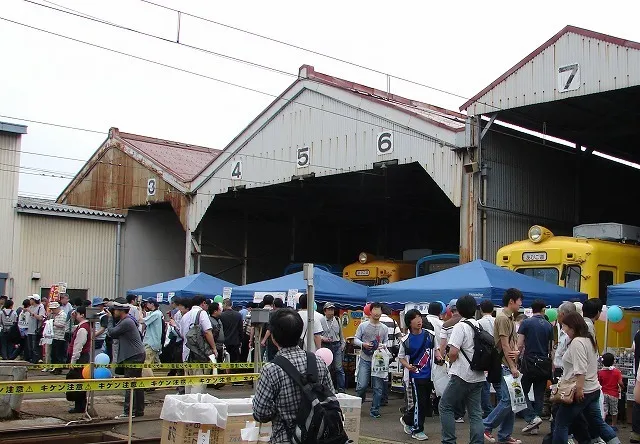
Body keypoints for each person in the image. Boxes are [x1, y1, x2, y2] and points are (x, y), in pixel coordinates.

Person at [253, 308, 334, 444]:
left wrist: (278, 409)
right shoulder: (319, 362)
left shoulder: (271, 369)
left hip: (285, 438)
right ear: (300, 332)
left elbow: (261, 413)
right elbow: (331, 398)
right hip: (318, 438)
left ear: (273, 337)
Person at [552, 312, 619, 444]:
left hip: (580, 390)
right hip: (593, 388)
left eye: (565, 326)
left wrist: (579, 389)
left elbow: (580, 369)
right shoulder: (589, 339)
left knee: (561, 423)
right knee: (598, 423)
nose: (564, 329)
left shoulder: (577, 342)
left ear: (572, 326)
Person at [439, 295, 486, 444]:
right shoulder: (479, 325)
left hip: (461, 374)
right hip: (478, 375)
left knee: (445, 406)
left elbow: (453, 352)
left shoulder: (461, 326)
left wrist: (450, 361)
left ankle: (449, 441)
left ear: (458, 309)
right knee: (475, 414)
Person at [483, 288, 523, 444]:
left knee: (512, 401)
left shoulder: (509, 318)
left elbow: (509, 345)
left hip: (508, 364)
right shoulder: (503, 319)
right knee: (508, 400)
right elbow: (504, 345)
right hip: (504, 365)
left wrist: (516, 354)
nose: (521, 303)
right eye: (519, 300)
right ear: (511, 301)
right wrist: (513, 366)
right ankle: (486, 425)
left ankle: (505, 435)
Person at [517, 298, 553, 435]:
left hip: (529, 361)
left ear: (532, 310)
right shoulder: (549, 325)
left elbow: (520, 344)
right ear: (543, 309)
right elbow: (551, 348)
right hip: (544, 363)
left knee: (521, 391)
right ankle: (535, 424)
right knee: (539, 394)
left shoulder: (526, 323)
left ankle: (532, 417)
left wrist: (516, 359)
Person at [398, 308, 434, 441]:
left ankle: (407, 419)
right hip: (415, 376)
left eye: (420, 317)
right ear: (409, 322)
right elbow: (401, 357)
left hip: (430, 374)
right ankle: (417, 429)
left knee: (424, 402)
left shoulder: (430, 335)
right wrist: (408, 367)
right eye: (415, 318)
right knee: (420, 402)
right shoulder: (406, 340)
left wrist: (440, 357)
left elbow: (435, 351)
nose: (419, 320)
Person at [106, 301, 146, 418]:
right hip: (136, 354)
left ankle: (129, 412)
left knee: (130, 384)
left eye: (115, 310)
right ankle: (138, 411)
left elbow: (111, 332)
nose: (113, 312)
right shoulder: (127, 320)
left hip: (133, 356)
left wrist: (109, 319)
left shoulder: (127, 322)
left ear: (121, 311)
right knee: (137, 384)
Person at [354, 301, 389, 418]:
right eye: (375, 311)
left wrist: (382, 345)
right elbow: (355, 339)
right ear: (370, 311)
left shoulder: (384, 328)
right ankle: (359, 402)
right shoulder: (363, 325)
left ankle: (375, 410)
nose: (377, 314)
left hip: (378, 361)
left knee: (378, 387)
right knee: (361, 385)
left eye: (379, 312)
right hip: (365, 358)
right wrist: (363, 344)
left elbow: (386, 341)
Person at [178, 296, 217, 394]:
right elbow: (208, 332)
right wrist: (214, 348)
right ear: (203, 303)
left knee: (189, 381)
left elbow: (182, 334)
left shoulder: (185, 315)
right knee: (199, 381)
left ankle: (188, 403)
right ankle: (196, 405)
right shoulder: (202, 313)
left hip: (186, 353)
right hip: (199, 354)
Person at [440, 299, 465, 423]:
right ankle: (462, 412)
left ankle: (457, 414)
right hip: (468, 361)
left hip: (453, 359)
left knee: (454, 387)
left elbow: (443, 345)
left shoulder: (446, 324)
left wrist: (442, 357)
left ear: (450, 310)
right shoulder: (469, 323)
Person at [66, 306, 91, 413]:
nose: (75, 315)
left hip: (80, 358)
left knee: (78, 380)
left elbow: (78, 346)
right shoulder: (83, 326)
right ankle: (79, 405)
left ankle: (80, 406)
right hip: (82, 357)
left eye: (76, 313)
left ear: (82, 315)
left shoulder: (82, 329)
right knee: (78, 380)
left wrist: (73, 360)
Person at [478, 299, 500, 418]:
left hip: (485, 355)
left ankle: (488, 411)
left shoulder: (479, 322)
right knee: (498, 384)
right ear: (493, 310)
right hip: (498, 355)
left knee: (484, 385)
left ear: (481, 309)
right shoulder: (497, 320)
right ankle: (502, 409)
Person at [320, 302, 346, 393]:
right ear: (325, 311)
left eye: (332, 309)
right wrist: (323, 339)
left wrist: (343, 344)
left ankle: (341, 389)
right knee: (328, 368)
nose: (331, 311)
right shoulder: (321, 320)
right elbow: (318, 335)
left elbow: (341, 333)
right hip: (326, 346)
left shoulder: (337, 320)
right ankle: (329, 388)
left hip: (337, 345)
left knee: (339, 368)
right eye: (329, 310)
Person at [598, 352, 623, 430]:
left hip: (604, 393)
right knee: (614, 411)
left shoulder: (600, 372)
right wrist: (623, 387)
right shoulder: (617, 372)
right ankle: (613, 425)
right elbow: (620, 383)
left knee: (604, 410)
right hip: (614, 394)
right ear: (613, 361)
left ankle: (603, 425)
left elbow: (599, 382)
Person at [141, 298, 163, 378]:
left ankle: (150, 383)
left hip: (151, 342)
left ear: (152, 304)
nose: (146, 305)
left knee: (146, 364)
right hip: (153, 342)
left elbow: (142, 321)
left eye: (147, 303)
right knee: (149, 364)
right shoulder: (156, 313)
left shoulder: (156, 314)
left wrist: (139, 311)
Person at [220, 298, 243, 372]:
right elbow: (240, 329)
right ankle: (235, 378)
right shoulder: (238, 315)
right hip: (235, 341)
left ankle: (225, 375)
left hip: (224, 341)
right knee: (235, 360)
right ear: (231, 304)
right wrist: (241, 340)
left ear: (224, 305)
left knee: (224, 359)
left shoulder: (221, 316)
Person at [50, 302, 68, 375]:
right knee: (53, 354)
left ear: (57, 308)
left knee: (59, 355)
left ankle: (58, 369)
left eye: (53, 309)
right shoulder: (54, 315)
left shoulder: (63, 315)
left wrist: (52, 323)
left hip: (60, 338)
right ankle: (54, 368)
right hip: (54, 336)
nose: (52, 311)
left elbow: (62, 325)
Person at [27, 294, 46, 363]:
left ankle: (37, 359)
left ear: (34, 300)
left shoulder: (40, 307)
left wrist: (32, 313)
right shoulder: (31, 307)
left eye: (31, 299)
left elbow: (41, 318)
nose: (30, 301)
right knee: (30, 347)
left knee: (35, 346)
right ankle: (32, 359)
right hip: (30, 330)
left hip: (36, 330)